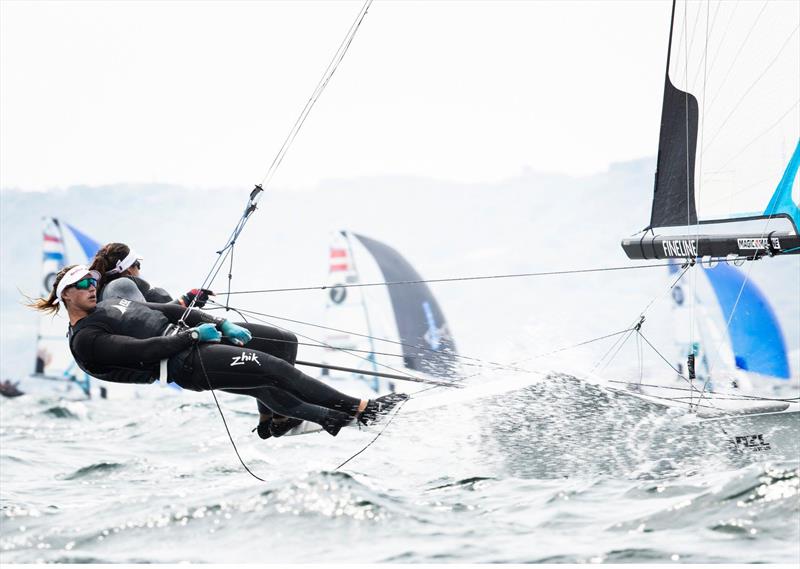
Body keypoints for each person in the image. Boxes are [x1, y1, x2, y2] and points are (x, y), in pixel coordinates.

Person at [28, 264, 407, 437]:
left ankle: (291, 418)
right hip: (185, 364)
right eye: (82, 284)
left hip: (195, 341)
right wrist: (195, 337)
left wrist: (215, 322)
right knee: (271, 370)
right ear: (66, 296)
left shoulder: (112, 305)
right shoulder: (86, 338)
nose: (92, 286)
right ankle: (360, 410)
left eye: (93, 279)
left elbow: (168, 311)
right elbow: (142, 348)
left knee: (281, 344)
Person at [89, 242, 303, 438]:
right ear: (128, 268)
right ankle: (282, 417)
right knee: (285, 341)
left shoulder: (116, 290)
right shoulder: (122, 285)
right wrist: (192, 311)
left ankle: (271, 419)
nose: (139, 270)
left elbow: (153, 316)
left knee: (265, 366)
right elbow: (145, 324)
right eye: (138, 265)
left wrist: (188, 299)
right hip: (196, 341)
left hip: (190, 342)